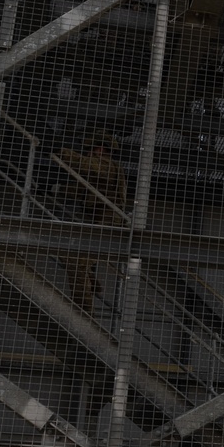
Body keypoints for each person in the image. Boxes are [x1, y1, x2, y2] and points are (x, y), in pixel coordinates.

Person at [56, 131, 127, 313]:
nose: (89, 152)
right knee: (69, 256)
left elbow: (86, 166)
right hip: (96, 224)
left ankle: (84, 312)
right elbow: (80, 189)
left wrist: (60, 151)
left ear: (100, 149)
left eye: (91, 149)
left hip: (108, 225)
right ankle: (91, 284)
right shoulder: (98, 173)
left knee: (76, 262)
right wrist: (53, 189)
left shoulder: (107, 166)